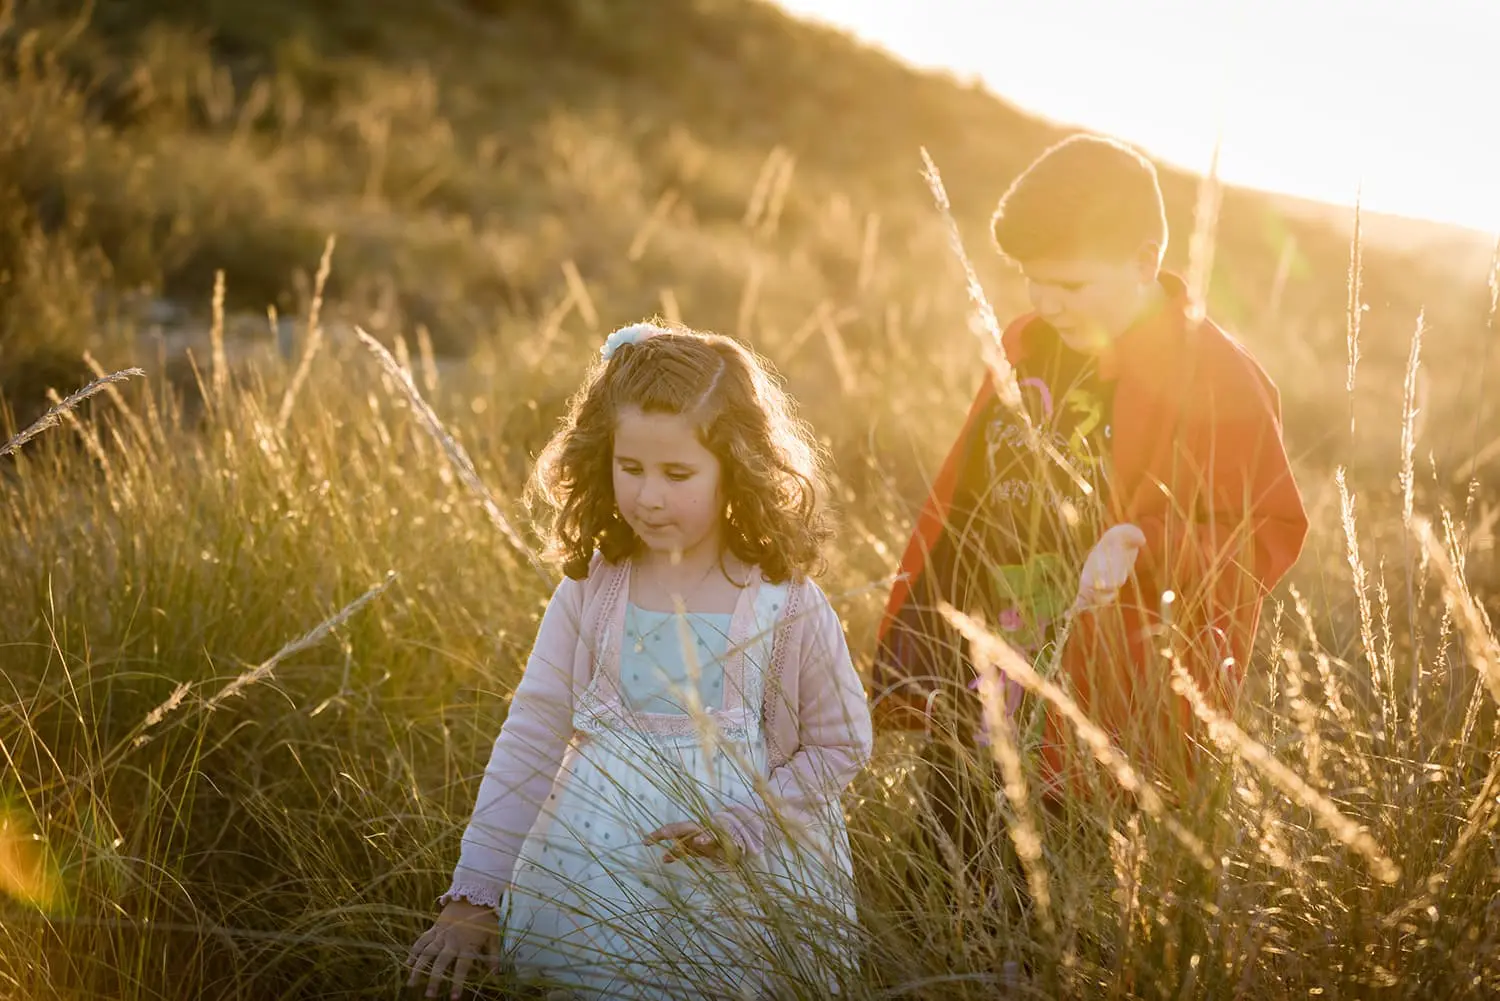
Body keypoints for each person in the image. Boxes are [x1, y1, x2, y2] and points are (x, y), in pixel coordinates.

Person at [872, 134, 1309, 861]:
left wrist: (1148, 542)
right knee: (940, 862)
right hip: (982, 672)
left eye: (1070, 286)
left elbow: (1267, 532)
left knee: (1051, 889)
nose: (1046, 303)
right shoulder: (1029, 341)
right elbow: (970, 487)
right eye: (1031, 280)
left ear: (1143, 261)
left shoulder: (1217, 377)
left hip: (1097, 707)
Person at [406, 322, 872, 1000]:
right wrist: (474, 890)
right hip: (595, 874)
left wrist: (747, 822)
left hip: (745, 889)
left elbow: (841, 742)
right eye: (631, 468)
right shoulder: (593, 587)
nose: (649, 496)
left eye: (677, 474)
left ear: (735, 467)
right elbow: (533, 734)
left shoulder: (786, 601)